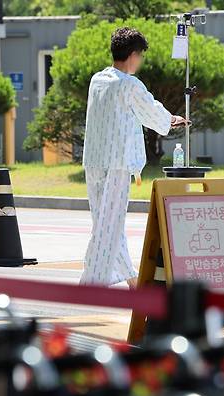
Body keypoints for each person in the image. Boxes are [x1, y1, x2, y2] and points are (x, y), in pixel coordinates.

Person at [80, 27, 188, 289]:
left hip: (93, 160)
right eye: (140, 56)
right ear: (134, 55)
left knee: (105, 222)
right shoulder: (129, 84)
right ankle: (89, 286)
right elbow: (150, 111)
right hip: (116, 162)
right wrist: (172, 119)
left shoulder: (98, 79)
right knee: (109, 226)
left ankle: (131, 280)